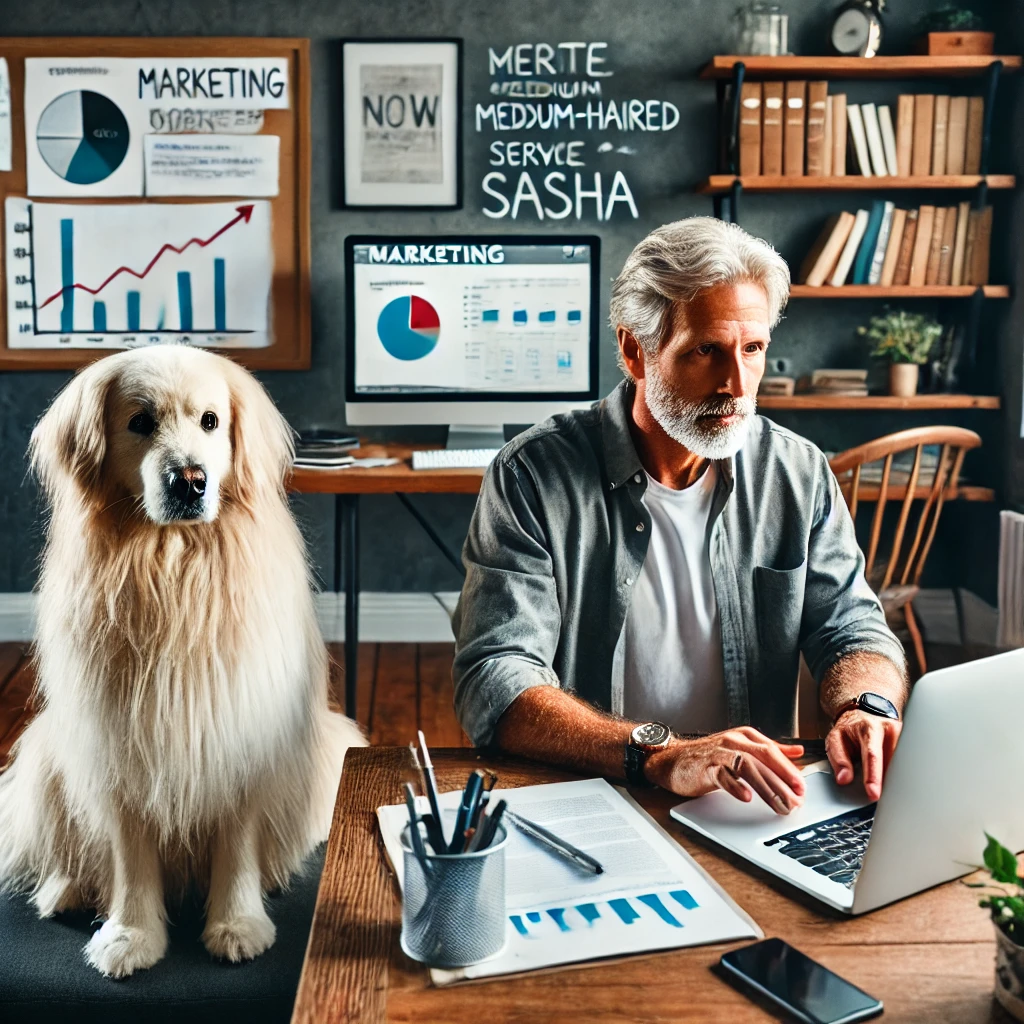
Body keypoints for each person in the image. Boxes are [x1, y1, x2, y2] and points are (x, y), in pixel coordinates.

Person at [452, 217, 907, 815]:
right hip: (595, 792)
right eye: (705, 352)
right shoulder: (532, 475)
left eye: (753, 349)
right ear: (635, 351)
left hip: (754, 803)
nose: (736, 384)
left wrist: (866, 706)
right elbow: (496, 674)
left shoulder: (798, 472)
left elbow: (853, 627)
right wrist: (659, 753)